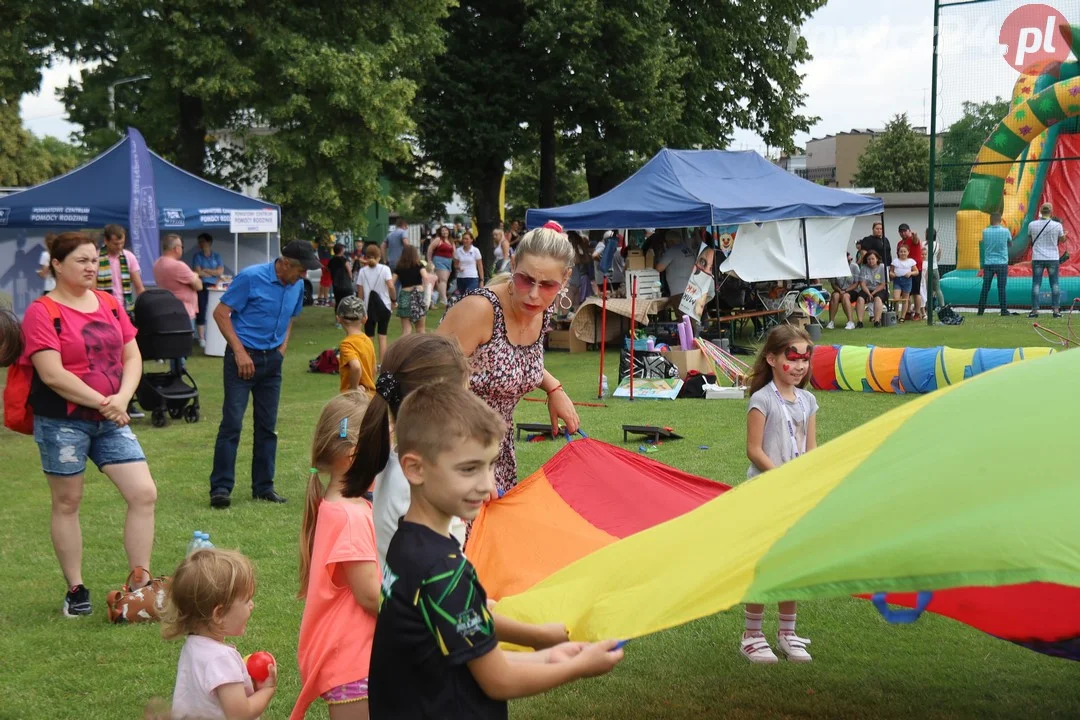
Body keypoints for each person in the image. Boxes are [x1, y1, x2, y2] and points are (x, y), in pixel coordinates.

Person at [368, 383, 624, 718]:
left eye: (490, 466)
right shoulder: (444, 571)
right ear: (415, 468)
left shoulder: (406, 541)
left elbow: (467, 653)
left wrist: (549, 656)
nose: (488, 485)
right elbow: (497, 680)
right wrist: (577, 667)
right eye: (468, 469)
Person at [18, 231, 157, 617]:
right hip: (64, 422)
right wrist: (105, 403)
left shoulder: (110, 303)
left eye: (94, 260)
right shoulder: (41, 312)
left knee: (143, 493)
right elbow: (52, 374)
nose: (91, 267)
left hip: (111, 418)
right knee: (68, 501)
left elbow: (132, 356)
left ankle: (141, 583)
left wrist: (122, 399)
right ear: (58, 265)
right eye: (81, 261)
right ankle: (76, 590)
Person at [438, 224, 580, 495]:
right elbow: (435, 387)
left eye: (547, 285)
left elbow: (514, 359)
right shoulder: (480, 310)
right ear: (513, 263)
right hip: (450, 450)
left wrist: (553, 386)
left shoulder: (540, 311)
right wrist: (473, 463)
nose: (534, 293)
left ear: (564, 279)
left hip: (496, 452)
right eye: (525, 279)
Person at [209, 240, 320, 509]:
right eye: (302, 270)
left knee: (267, 426)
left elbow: (290, 318)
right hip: (242, 359)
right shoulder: (250, 277)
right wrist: (239, 352)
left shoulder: (296, 286)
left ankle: (263, 487)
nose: (304, 276)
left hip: (272, 362)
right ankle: (221, 488)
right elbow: (221, 313)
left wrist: (281, 349)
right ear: (285, 264)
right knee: (232, 423)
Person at [293, 391, 378, 720]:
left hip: (354, 656)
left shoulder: (342, 504)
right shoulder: (349, 516)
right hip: (354, 662)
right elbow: (370, 595)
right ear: (354, 454)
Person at [742, 325, 817, 663]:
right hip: (766, 493)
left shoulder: (809, 401)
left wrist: (811, 479)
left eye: (805, 358)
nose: (800, 365)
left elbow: (811, 447)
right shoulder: (762, 399)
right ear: (772, 358)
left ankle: (788, 632)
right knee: (765, 563)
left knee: (792, 563)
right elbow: (754, 450)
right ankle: (752, 634)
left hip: (797, 494)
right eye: (792, 357)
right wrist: (781, 477)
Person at [164, 548, 278, 720]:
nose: (252, 605)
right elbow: (240, 715)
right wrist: (267, 690)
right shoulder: (221, 659)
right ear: (218, 614)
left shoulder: (193, 647)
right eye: (246, 600)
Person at [355, 245, 396, 363]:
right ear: (379, 257)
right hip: (384, 306)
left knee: (369, 337)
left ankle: (370, 363)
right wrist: (394, 300)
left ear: (366, 257)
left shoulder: (362, 272)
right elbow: (391, 286)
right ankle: (382, 364)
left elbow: (360, 294)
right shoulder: (385, 269)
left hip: (368, 307)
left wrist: (361, 309)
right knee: (382, 336)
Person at [1028, 202, 1067, 318]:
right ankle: (1056, 310)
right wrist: (1064, 235)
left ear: (1040, 211)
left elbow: (1030, 240)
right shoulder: (1057, 225)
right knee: (1054, 284)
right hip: (1052, 258)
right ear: (1051, 212)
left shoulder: (1032, 224)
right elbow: (1062, 240)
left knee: (1036, 284)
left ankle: (1035, 311)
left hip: (1037, 258)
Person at [98, 224, 145, 314]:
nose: (119, 247)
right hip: (103, 309)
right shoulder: (96, 257)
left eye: (122, 243)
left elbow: (139, 287)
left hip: (125, 309)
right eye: (115, 244)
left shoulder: (129, 257)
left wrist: (146, 304)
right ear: (106, 241)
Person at [337, 295, 377, 395]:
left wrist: (354, 389)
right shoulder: (367, 340)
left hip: (354, 401)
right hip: (370, 396)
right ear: (365, 318)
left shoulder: (347, 344)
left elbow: (356, 367)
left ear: (338, 318)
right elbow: (374, 369)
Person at [191, 233, 225, 348]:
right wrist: (212, 272)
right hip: (202, 286)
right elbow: (197, 272)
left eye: (202, 242)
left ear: (209, 243)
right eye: (199, 242)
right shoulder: (197, 256)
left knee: (214, 310)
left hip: (215, 287)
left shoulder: (217, 256)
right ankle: (201, 338)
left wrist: (206, 270)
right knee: (201, 310)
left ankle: (214, 336)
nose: (200, 244)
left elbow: (220, 272)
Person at [978, 213, 1014, 317]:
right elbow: (1010, 244)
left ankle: (980, 310)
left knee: (985, 287)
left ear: (990, 220)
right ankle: (1003, 310)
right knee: (1001, 287)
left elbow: (984, 242)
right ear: (1000, 220)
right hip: (1002, 263)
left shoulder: (985, 231)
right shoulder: (1005, 231)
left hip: (989, 263)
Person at [393, 245, 430, 336]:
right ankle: (421, 349)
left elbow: (391, 281)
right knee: (420, 329)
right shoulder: (419, 265)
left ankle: (403, 348)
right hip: (417, 295)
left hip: (405, 295)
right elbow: (426, 277)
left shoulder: (399, 267)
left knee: (406, 329)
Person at [656, 230, 697, 298]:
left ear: (670, 241)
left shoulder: (672, 251)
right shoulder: (688, 249)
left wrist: (659, 256)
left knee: (679, 308)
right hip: (691, 289)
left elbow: (659, 268)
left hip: (679, 291)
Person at [896, 224, 924, 320]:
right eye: (901, 231)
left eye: (905, 231)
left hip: (915, 269)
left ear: (909, 231)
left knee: (916, 292)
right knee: (907, 292)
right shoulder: (900, 243)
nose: (903, 233)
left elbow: (916, 240)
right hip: (904, 270)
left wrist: (915, 235)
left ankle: (917, 313)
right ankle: (907, 312)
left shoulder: (912, 239)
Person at [826, 253, 860, 330]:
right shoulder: (835, 268)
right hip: (839, 290)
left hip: (852, 290)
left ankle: (850, 322)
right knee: (835, 296)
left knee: (845, 296)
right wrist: (840, 290)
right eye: (848, 260)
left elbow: (856, 283)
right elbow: (833, 284)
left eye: (850, 260)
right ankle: (831, 321)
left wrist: (845, 290)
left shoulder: (854, 267)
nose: (850, 262)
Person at [856, 251, 888, 328]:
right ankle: (860, 322)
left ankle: (877, 321)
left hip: (879, 289)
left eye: (873, 259)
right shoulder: (864, 268)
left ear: (877, 259)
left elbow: (883, 284)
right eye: (869, 259)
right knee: (860, 299)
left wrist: (873, 293)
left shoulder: (882, 267)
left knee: (877, 299)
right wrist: (868, 293)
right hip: (867, 289)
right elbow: (862, 284)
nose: (871, 261)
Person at [426, 225, 455, 307]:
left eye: (446, 230)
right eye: (442, 231)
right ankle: (444, 299)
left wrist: (457, 263)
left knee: (439, 283)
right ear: (440, 232)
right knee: (443, 280)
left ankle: (432, 300)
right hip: (439, 260)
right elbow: (430, 249)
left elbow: (454, 253)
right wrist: (429, 261)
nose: (444, 232)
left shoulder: (451, 241)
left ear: (449, 231)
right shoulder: (438, 239)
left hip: (449, 262)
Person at [889, 243, 918, 323]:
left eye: (904, 251)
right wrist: (892, 274)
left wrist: (910, 273)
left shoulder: (911, 261)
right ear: (898, 253)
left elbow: (916, 271)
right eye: (901, 251)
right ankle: (896, 314)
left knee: (905, 299)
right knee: (896, 298)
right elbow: (891, 271)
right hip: (897, 280)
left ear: (908, 252)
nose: (903, 253)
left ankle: (903, 317)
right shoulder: (895, 261)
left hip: (907, 281)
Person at [453, 231, 485, 296]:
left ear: (471, 240)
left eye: (467, 239)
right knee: (463, 297)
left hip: (472, 277)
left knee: (469, 295)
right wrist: (458, 267)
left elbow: (480, 266)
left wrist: (481, 280)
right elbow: (455, 264)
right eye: (463, 239)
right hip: (461, 278)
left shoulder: (475, 250)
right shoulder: (458, 250)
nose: (465, 241)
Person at [328, 242, 354, 308]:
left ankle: (338, 317)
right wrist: (351, 278)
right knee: (348, 304)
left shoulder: (331, 261)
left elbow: (329, 270)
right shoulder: (344, 260)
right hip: (346, 285)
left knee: (338, 304)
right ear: (341, 250)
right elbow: (349, 270)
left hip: (336, 286)